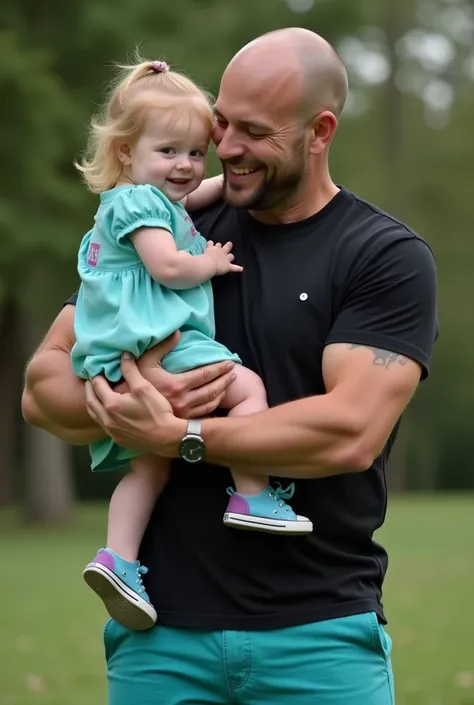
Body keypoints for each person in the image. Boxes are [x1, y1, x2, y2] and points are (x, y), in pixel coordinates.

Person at [22, 27, 438, 705]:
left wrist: (177, 434)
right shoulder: (174, 227)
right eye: (222, 123)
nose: (226, 147)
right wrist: (134, 389)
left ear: (319, 130)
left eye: (254, 131)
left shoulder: (381, 256)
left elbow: (349, 430)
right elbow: (42, 389)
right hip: (159, 638)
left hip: (319, 637)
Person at [71, 56, 313, 632]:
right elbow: (167, 265)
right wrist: (205, 263)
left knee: (149, 468)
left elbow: (206, 192)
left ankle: (120, 561)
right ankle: (252, 494)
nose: (184, 166)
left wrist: (228, 180)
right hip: (159, 342)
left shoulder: (148, 198)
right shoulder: (139, 205)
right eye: (168, 151)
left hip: (117, 356)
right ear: (126, 152)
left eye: (194, 152)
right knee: (247, 386)